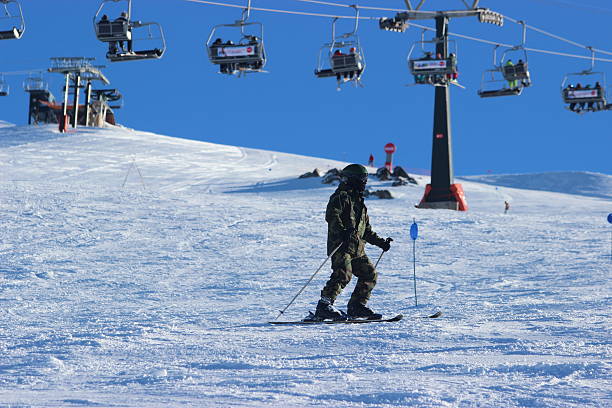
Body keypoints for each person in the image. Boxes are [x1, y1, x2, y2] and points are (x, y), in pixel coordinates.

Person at [314, 164, 393, 320]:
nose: (364, 182)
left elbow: (366, 231)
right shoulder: (341, 196)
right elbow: (332, 216)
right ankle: (324, 305)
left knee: (369, 273)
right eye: (362, 179)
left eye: (366, 179)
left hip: (357, 249)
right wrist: (342, 231)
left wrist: (381, 243)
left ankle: (357, 306)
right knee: (343, 274)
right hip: (341, 245)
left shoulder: (360, 204)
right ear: (352, 179)